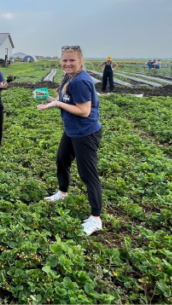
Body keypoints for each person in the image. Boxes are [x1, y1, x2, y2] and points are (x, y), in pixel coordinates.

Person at [38, 45, 103, 237]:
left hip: (85, 133)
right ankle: (63, 193)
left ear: (80, 61)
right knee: (62, 160)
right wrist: (50, 98)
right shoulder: (68, 77)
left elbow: (84, 111)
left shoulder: (81, 81)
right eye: (65, 60)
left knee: (88, 174)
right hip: (72, 130)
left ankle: (96, 219)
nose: (67, 63)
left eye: (72, 60)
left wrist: (57, 103)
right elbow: (65, 100)